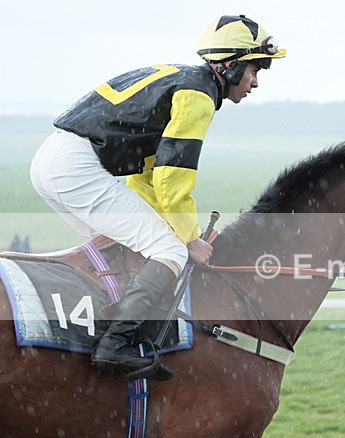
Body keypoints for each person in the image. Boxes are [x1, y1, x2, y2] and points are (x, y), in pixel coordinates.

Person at [29, 14, 286, 380]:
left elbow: (147, 173)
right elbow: (173, 175)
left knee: (129, 246)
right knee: (169, 252)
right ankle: (114, 346)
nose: (256, 82)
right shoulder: (198, 96)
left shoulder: (185, 80)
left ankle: (107, 329)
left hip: (51, 161)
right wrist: (189, 238)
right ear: (230, 65)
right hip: (75, 167)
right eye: (254, 70)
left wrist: (171, 227)